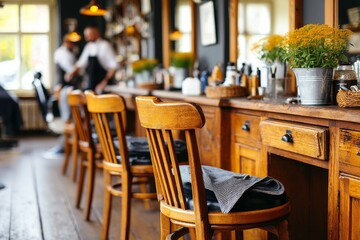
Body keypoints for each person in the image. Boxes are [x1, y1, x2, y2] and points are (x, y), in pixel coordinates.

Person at [66, 26, 118, 94]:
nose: (87, 38)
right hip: (91, 84)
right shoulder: (88, 46)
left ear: (96, 33)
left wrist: (104, 82)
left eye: (88, 35)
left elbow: (114, 66)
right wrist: (71, 73)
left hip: (104, 86)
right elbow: (81, 63)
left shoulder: (105, 45)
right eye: (86, 35)